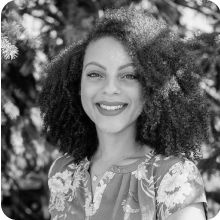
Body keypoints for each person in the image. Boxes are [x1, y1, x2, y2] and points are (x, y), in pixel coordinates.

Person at [37, 7, 209, 220]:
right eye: (94, 73)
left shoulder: (173, 175)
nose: (109, 89)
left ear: (152, 87)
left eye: (129, 76)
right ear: (77, 84)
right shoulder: (63, 171)